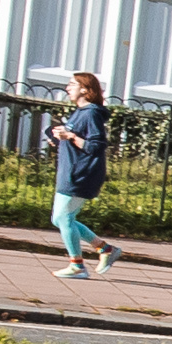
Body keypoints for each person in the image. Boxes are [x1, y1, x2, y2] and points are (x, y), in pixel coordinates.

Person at [46, 71, 111, 280]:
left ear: (85, 89)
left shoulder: (91, 113)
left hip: (81, 174)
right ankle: (104, 249)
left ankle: (77, 266)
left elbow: (96, 146)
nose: (67, 88)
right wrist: (59, 139)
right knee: (62, 219)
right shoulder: (80, 112)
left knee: (63, 218)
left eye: (72, 84)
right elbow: (76, 141)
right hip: (70, 172)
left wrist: (71, 136)